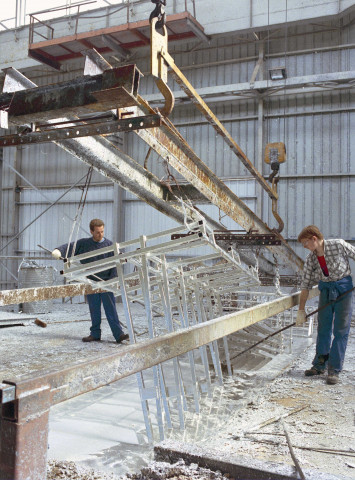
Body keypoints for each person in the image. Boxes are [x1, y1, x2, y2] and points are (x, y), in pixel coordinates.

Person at [52, 218, 129, 344]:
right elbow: (70, 247)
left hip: (106, 282)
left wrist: (111, 281)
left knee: (111, 309)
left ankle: (118, 334)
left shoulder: (110, 245)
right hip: (90, 282)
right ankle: (95, 334)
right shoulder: (84, 244)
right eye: (98, 232)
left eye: (102, 232)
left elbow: (117, 263)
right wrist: (58, 251)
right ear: (91, 231)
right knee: (94, 309)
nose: (100, 235)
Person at [296, 225, 355, 385]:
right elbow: (305, 285)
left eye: (305, 243)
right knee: (323, 328)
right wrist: (301, 310)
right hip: (326, 291)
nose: (305, 247)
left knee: (341, 330)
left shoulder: (339, 245)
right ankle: (319, 365)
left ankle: (334, 369)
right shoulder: (311, 259)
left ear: (314, 239)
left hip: (344, 290)